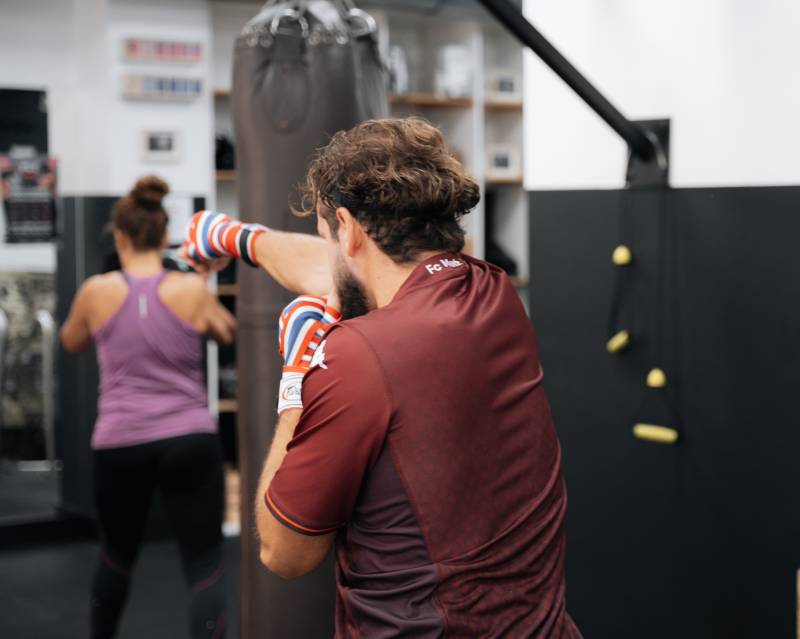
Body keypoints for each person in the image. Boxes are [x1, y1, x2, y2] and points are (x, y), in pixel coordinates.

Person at [183, 117, 582, 638]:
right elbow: (332, 270)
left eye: (328, 232)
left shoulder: (359, 356)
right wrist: (236, 237)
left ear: (347, 228)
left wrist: (296, 377)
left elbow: (283, 552)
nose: (326, 247)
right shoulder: (491, 292)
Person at [60, 176, 235, 639]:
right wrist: (199, 284)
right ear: (163, 237)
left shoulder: (96, 291)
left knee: (116, 553)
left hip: (120, 440)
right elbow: (226, 331)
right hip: (189, 438)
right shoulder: (190, 290)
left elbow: (71, 339)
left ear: (119, 237)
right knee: (203, 562)